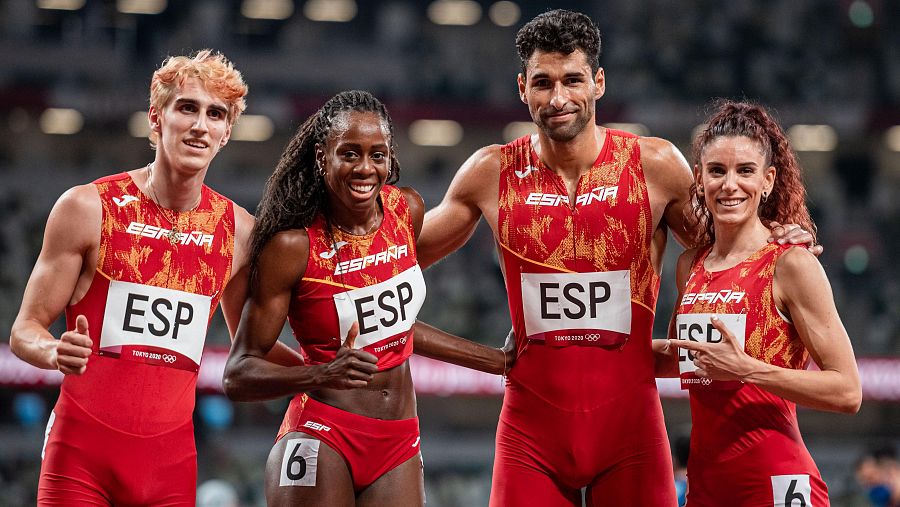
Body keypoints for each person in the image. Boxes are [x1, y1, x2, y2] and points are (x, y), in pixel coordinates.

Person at [413, 9, 817, 506]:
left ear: (599, 82)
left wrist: (780, 239)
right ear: (522, 88)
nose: (558, 98)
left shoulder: (656, 165)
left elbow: (730, 244)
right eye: (543, 82)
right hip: (530, 435)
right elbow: (393, 257)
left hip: (631, 434)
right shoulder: (490, 171)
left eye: (573, 80)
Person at [9, 49, 301, 506]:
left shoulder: (239, 231)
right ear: (156, 118)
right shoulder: (86, 209)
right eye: (187, 107)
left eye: (215, 114)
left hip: (170, 465)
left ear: (226, 133)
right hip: (81, 457)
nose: (200, 125)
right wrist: (54, 350)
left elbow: (252, 342)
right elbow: (24, 330)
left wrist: (321, 372)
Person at [222, 90, 508, 506]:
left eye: (378, 155)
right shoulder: (292, 247)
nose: (365, 168)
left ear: (390, 158)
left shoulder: (406, 209)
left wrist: (494, 361)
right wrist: (317, 374)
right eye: (350, 153)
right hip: (324, 433)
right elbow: (237, 374)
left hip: (399, 440)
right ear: (322, 157)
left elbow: (397, 328)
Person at [656, 100, 862, 506]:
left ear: (767, 181)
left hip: (777, 480)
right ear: (699, 180)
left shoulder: (791, 263)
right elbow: (681, 358)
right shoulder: (689, 265)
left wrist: (747, 369)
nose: (729, 185)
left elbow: (847, 390)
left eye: (745, 171)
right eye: (717, 171)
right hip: (707, 485)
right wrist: (577, 346)